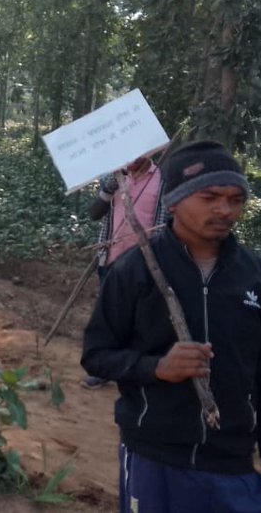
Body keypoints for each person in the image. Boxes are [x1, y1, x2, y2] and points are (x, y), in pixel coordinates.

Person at [81, 141, 261, 513]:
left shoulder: (258, 279)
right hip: (154, 458)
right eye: (210, 196)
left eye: (235, 199)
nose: (224, 210)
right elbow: (97, 356)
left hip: (232, 464)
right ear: (175, 201)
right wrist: (156, 368)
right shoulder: (134, 272)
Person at [82, 155, 166, 390]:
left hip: (146, 263)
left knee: (142, 319)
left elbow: (166, 223)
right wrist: (109, 188)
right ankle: (104, 370)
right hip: (111, 258)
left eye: (138, 154)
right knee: (110, 319)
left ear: (148, 152)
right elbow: (94, 213)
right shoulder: (115, 177)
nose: (133, 160)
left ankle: (135, 370)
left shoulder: (162, 180)